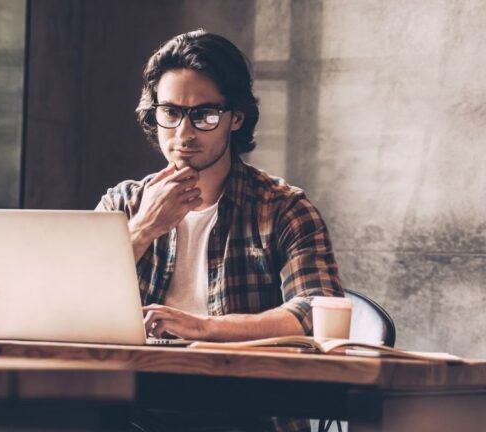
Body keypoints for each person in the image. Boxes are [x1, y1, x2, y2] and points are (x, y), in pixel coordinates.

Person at [96, 29, 344, 432]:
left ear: (236, 118)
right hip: (135, 407)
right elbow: (75, 305)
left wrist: (201, 328)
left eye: (205, 115)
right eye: (171, 112)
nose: (184, 134)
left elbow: (316, 313)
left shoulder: (283, 208)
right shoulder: (122, 204)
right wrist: (142, 229)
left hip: (245, 409)